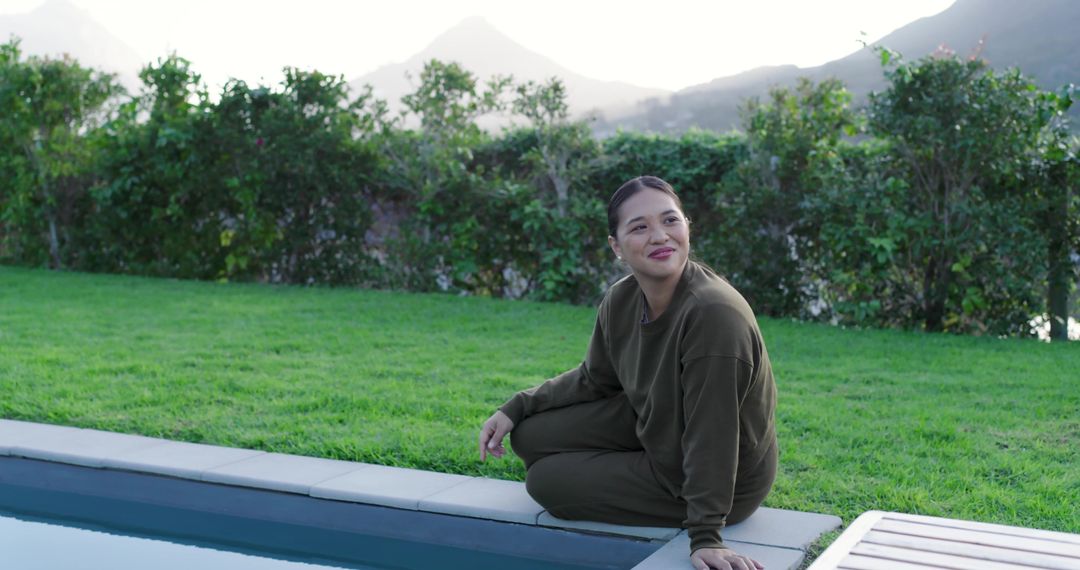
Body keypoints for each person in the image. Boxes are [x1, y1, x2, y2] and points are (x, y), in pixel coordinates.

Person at [478, 175, 777, 570]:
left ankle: (663, 487)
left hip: (726, 478)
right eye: (640, 227)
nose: (659, 237)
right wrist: (517, 406)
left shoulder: (713, 316)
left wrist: (706, 534)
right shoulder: (622, 297)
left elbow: (714, 431)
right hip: (654, 423)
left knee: (546, 482)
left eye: (671, 221)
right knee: (530, 434)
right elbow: (595, 377)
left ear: (687, 226)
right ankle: (632, 459)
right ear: (616, 246)